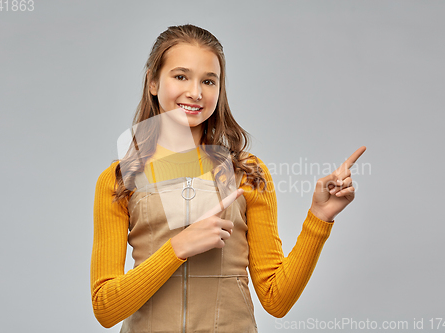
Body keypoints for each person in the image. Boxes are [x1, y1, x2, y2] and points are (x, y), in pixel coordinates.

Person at [91, 24, 366, 332]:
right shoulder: (119, 180)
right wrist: (178, 247)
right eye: (181, 76)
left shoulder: (247, 172)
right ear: (153, 82)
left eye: (208, 81)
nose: (195, 92)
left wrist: (319, 217)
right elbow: (105, 308)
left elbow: (277, 300)